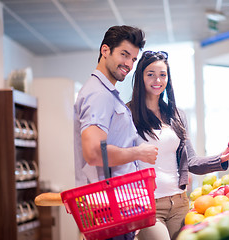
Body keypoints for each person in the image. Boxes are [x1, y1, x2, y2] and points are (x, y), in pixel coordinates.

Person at [127, 50, 229, 240]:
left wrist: (221, 158)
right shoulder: (128, 114)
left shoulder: (177, 115)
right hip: (148, 205)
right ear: (140, 77)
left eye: (162, 74)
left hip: (180, 203)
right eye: (150, 74)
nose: (157, 80)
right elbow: (121, 163)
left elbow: (192, 162)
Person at [73, 26, 158, 240]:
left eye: (133, 59)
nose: (129, 64)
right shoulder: (98, 94)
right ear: (105, 51)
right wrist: (138, 153)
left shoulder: (108, 94)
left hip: (118, 207)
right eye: (124, 54)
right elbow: (94, 153)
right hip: (107, 209)